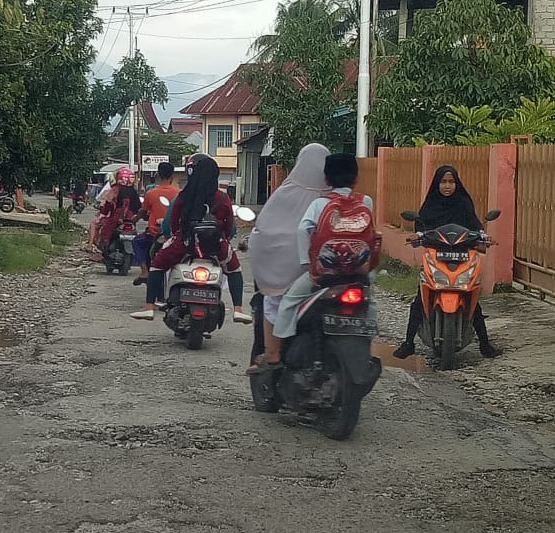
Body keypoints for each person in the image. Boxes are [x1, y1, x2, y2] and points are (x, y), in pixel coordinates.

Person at [251, 153, 374, 370]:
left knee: (288, 301)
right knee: (369, 302)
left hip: (326, 272)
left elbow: (301, 229)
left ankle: (275, 354)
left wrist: (308, 263)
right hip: (357, 271)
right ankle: (369, 338)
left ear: (326, 178)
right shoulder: (365, 201)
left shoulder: (319, 203)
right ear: (356, 177)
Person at [394, 165, 501, 359]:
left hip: (462, 254)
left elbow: (475, 225)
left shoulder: (463, 203)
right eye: (443, 182)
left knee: (472, 299)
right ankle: (408, 342)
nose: (447, 186)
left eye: (451, 182)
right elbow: (421, 227)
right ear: (437, 183)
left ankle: (485, 345)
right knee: (419, 299)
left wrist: (484, 236)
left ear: (456, 183)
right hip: (436, 254)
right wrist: (416, 236)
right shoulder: (430, 205)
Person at [130, 154, 252, 324]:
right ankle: (238, 310)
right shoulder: (222, 198)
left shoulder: (184, 195)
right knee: (234, 270)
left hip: (185, 243)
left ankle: (149, 307)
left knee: (157, 265)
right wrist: (223, 239)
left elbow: (173, 224)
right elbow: (229, 227)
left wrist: (175, 237)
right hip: (215, 245)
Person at [245, 143, 330, 373]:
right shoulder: (335, 198)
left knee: (271, 301)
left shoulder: (285, 191)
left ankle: (270, 356)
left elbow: (264, 230)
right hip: (331, 272)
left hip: (289, 270)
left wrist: (256, 244)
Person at [132, 162, 180, 286]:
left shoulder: (151, 193)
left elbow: (143, 211)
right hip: (175, 235)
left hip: (154, 234)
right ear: (172, 176)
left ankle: (144, 271)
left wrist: (135, 219)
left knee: (137, 241)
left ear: (158, 175)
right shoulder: (180, 193)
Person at [96, 167, 142, 251]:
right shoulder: (133, 191)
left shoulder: (114, 190)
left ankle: (103, 247)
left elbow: (107, 206)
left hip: (118, 217)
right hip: (131, 219)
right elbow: (139, 206)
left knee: (105, 232)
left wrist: (104, 211)